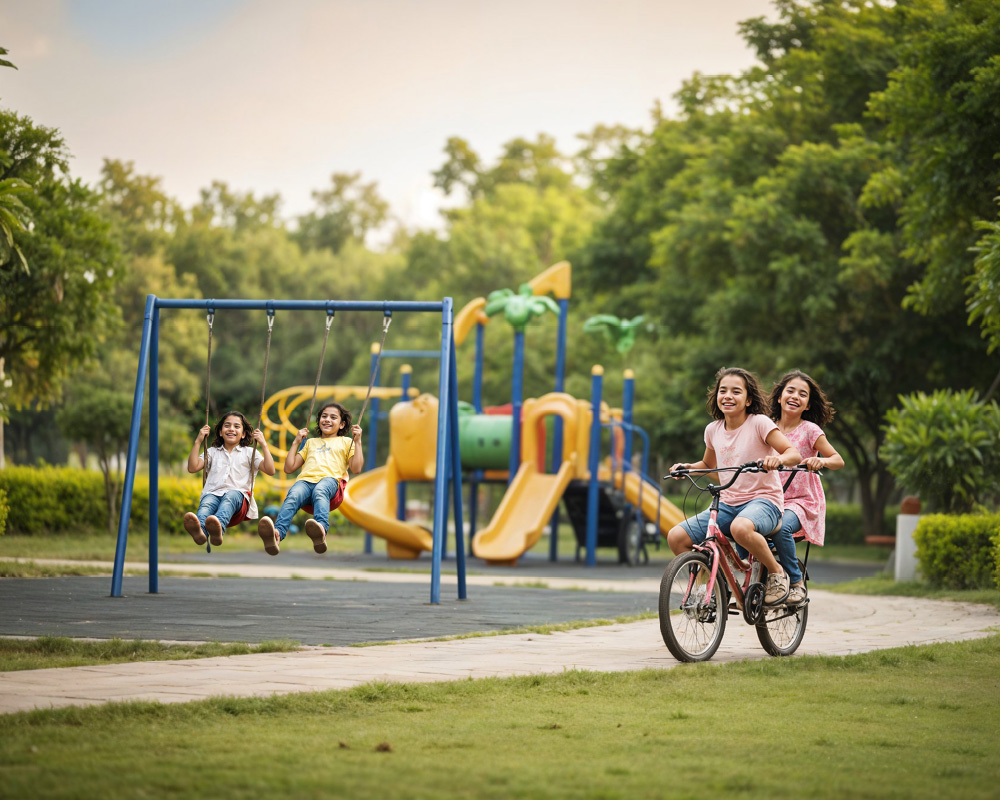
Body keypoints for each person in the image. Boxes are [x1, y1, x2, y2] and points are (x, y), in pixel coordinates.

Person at [666, 367, 801, 605]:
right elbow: (708, 464)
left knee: (740, 528)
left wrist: (777, 459)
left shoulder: (759, 423)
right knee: (676, 537)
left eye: (736, 391)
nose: (728, 396)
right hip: (727, 503)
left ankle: (778, 573)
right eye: (723, 391)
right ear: (716, 396)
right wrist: (687, 467)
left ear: (748, 400)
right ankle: (716, 584)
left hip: (764, 502)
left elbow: (793, 454)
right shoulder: (713, 429)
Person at [768, 370, 845, 605]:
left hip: (801, 501)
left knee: (780, 528)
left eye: (802, 394)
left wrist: (821, 460)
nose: (795, 396)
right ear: (779, 397)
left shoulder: (810, 430)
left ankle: (795, 581)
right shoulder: (767, 427)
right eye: (790, 391)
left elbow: (838, 460)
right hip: (769, 498)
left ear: (807, 404)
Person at [258, 401, 364, 556]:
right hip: (305, 482)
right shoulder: (311, 443)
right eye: (324, 416)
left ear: (341, 425)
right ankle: (277, 534)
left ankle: (320, 529)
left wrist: (358, 441)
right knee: (293, 495)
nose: (327, 419)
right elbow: (289, 468)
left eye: (333, 417)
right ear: (319, 420)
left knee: (321, 489)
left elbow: (356, 468)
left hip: (330, 481)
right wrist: (296, 442)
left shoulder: (347, 442)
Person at [184, 411, 276, 547]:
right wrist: (198, 441)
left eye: (237, 426)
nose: (231, 429)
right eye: (227, 425)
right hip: (213, 494)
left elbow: (270, 470)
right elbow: (192, 468)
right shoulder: (212, 452)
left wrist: (263, 443)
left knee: (231, 495)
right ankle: (201, 533)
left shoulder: (250, 453)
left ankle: (218, 528)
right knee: (206, 503)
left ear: (244, 433)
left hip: (238, 500)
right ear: (221, 432)